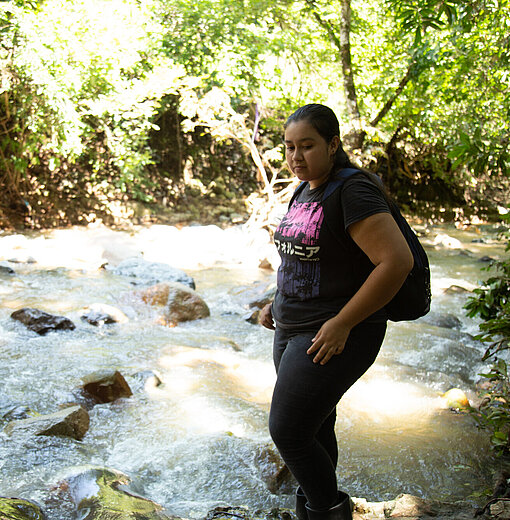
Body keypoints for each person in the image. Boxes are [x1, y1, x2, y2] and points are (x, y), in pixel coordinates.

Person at [259, 104, 414, 520]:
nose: (296, 157)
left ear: (333, 144)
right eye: (289, 147)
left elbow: (396, 262)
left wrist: (343, 322)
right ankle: (317, 509)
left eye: (307, 146)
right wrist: (273, 302)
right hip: (292, 329)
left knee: (288, 430)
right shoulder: (304, 189)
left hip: (338, 330)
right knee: (313, 426)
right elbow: (302, 257)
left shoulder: (352, 190)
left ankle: (326, 512)